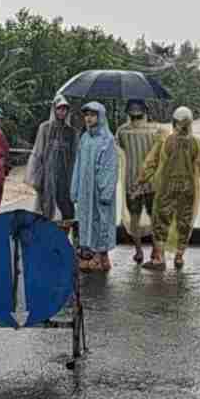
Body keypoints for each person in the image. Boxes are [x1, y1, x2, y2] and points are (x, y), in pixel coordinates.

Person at [141, 106, 200, 270]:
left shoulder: (165, 141)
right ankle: (179, 258)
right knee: (185, 221)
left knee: (161, 220)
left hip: (166, 187)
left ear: (173, 122)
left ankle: (159, 259)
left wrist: (141, 180)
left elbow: (151, 163)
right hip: (188, 188)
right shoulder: (197, 143)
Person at [114, 98, 166, 263]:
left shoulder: (122, 131)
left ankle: (138, 252)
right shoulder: (157, 130)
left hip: (132, 183)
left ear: (128, 113)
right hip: (152, 181)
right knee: (155, 217)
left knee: (134, 218)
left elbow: (116, 150)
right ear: (146, 112)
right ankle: (156, 251)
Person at [70, 101, 119, 271]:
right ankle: (98, 256)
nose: (89, 118)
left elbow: (111, 167)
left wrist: (105, 191)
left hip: (99, 190)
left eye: (92, 115)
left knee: (101, 221)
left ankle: (101, 256)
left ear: (100, 117)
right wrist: (75, 188)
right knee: (87, 221)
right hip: (85, 190)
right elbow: (78, 163)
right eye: (87, 115)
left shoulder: (108, 140)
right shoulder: (85, 138)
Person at [27, 93, 78, 221]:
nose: (62, 111)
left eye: (65, 109)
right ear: (54, 109)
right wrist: (37, 176)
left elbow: (74, 157)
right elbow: (38, 152)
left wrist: (74, 178)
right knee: (46, 208)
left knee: (66, 208)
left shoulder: (71, 132)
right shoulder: (44, 128)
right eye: (59, 108)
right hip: (47, 175)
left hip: (65, 176)